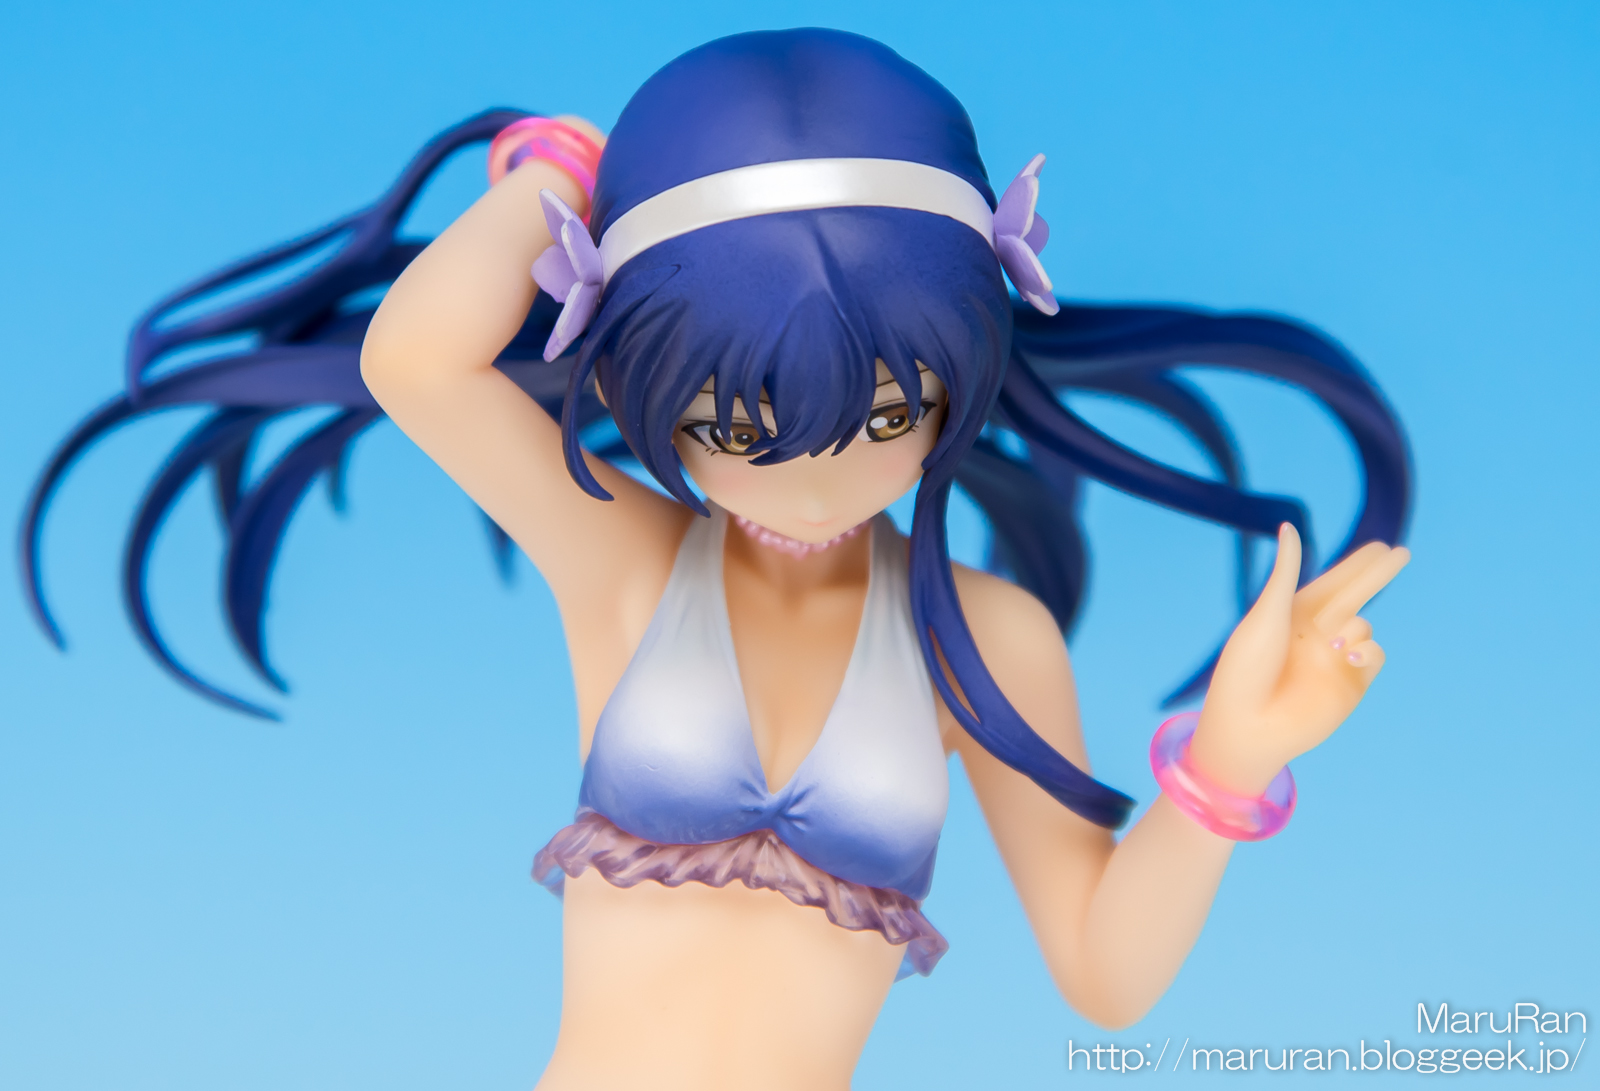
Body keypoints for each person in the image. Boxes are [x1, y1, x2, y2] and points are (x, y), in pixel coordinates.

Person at [23, 28, 1412, 1091]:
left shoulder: (986, 644)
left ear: (962, 379)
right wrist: (559, 171)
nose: (814, 477)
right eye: (738, 428)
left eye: (885, 419)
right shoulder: (627, 563)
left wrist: (1231, 761)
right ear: (640, 385)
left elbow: (1104, 973)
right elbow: (416, 361)